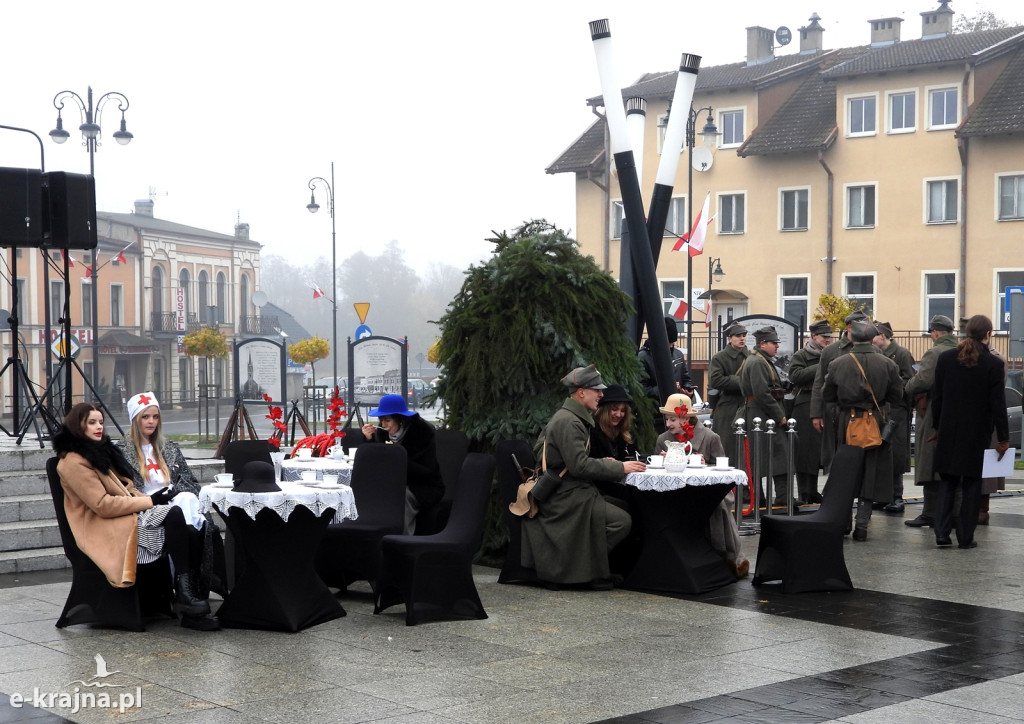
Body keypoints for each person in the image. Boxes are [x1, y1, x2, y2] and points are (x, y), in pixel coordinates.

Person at [53, 403, 219, 631]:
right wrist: (151, 501)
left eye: (101, 422)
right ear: (76, 425)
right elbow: (102, 505)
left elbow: (123, 488)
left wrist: (154, 496)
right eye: (92, 422)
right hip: (102, 527)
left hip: (119, 518)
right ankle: (186, 598)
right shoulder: (74, 461)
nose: (99, 427)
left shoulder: (96, 452)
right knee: (174, 516)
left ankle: (186, 597)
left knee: (187, 527)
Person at [522, 364, 643, 590]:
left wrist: (605, 464)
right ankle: (581, 570)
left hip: (574, 491)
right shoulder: (569, 421)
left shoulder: (571, 417)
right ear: (581, 392)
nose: (601, 394)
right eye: (596, 390)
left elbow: (574, 461)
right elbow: (578, 466)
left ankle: (589, 568)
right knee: (621, 521)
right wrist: (620, 468)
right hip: (566, 495)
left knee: (623, 507)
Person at [117, 392, 227, 598]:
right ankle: (191, 580)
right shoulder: (122, 452)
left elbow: (190, 481)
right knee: (187, 517)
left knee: (187, 499)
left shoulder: (169, 448)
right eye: (145, 417)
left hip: (177, 501)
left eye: (155, 417)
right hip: (148, 508)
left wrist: (177, 491)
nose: (151, 422)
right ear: (135, 420)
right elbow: (123, 488)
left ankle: (189, 580)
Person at [931, 315, 1010, 549]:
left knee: (947, 482)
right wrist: (1003, 438)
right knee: (972, 484)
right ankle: (966, 537)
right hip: (977, 433)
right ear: (987, 334)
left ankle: (942, 534)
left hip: (948, 431)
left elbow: (937, 397)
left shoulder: (946, 359)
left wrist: (937, 427)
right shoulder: (993, 364)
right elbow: (998, 404)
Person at [822, 319, 904, 541]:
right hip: (875, 423)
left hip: (847, 423)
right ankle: (862, 526)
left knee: (846, 474)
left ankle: (844, 524)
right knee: (871, 473)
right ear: (872, 338)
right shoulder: (888, 364)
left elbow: (827, 396)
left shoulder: (837, 364)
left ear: (853, 337)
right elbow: (897, 397)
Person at [654, 393, 749, 578]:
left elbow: (723, 471)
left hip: (707, 494)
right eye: (667, 419)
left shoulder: (710, 438)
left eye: (672, 419)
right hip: (675, 494)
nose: (668, 424)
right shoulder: (663, 439)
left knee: (717, 507)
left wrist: (705, 464)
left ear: (686, 417)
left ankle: (724, 555)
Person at [903, 314, 958, 528]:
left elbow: (923, 380)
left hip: (935, 412)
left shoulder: (935, 352)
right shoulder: (964, 349)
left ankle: (930, 513)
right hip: (958, 414)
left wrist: (908, 387)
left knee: (929, 462)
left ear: (935, 332)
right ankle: (954, 514)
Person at [361, 393, 444, 535]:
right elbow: (376, 463)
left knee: (401, 496)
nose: (383, 425)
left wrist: (397, 457)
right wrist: (369, 441)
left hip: (422, 485)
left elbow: (426, 471)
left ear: (401, 420)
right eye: (381, 420)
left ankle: (403, 541)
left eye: (387, 420)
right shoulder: (382, 434)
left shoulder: (422, 433)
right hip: (392, 482)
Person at [740, 326, 791, 510]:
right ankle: (771, 499)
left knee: (766, 458)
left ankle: (770, 498)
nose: (777, 346)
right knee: (771, 457)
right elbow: (761, 393)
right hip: (762, 416)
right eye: (773, 343)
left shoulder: (761, 360)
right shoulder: (758, 362)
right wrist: (780, 417)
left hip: (761, 415)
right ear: (763, 343)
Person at [810, 310, 868, 473]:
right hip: (835, 410)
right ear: (849, 327)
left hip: (860, 410)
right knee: (835, 455)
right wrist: (816, 413)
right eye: (861, 324)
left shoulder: (869, 349)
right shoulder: (831, 351)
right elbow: (819, 381)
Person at [872, 322, 916, 513]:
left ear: (882, 336)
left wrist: (891, 388)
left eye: (873, 335)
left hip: (896, 410)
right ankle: (883, 495)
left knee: (896, 454)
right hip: (881, 409)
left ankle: (897, 496)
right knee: (881, 453)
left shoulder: (902, 354)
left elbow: (910, 381)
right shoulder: (875, 354)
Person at [788, 320, 833, 504]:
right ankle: (804, 492)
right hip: (804, 406)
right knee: (804, 452)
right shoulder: (802, 354)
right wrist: (821, 365)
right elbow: (794, 376)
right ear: (814, 336)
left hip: (824, 405)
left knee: (816, 453)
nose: (828, 340)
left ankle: (813, 490)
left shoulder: (830, 355)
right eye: (824, 337)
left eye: (829, 337)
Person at [639, 316, 695, 433]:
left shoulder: (678, 355)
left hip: (679, 415)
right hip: (654, 417)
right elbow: (642, 390)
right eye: (668, 343)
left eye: (672, 343)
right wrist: (668, 388)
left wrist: (688, 391)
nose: (670, 347)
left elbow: (686, 378)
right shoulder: (643, 357)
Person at [589, 384, 639, 500]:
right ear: (605, 409)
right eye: (614, 409)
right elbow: (589, 467)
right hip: (599, 489)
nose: (619, 414)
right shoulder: (592, 431)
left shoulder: (625, 433)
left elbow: (634, 457)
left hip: (625, 485)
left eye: (623, 410)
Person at [709, 323, 750, 439]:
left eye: (744, 335)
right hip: (728, 406)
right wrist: (741, 381)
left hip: (748, 404)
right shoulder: (720, 357)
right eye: (738, 336)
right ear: (729, 338)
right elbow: (715, 381)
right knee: (726, 445)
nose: (742, 338)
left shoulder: (752, 357)